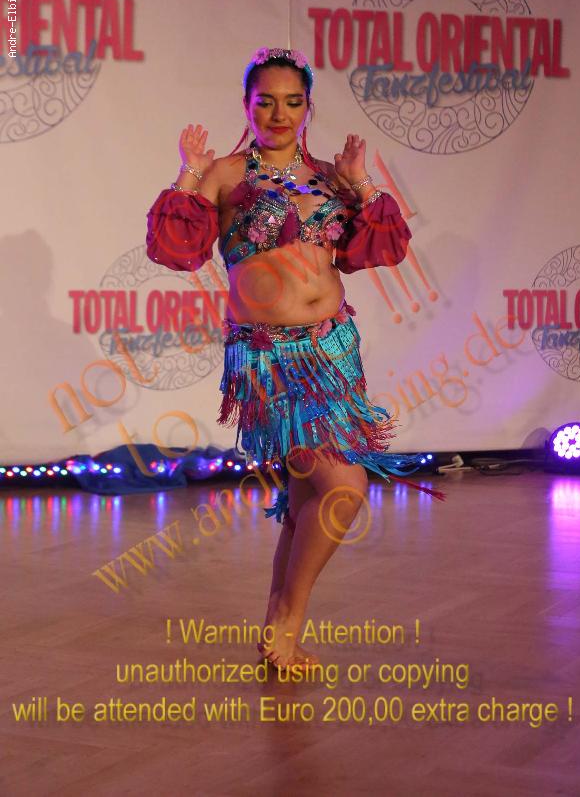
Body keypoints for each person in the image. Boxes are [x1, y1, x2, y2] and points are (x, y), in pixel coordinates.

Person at [146, 46, 445, 670]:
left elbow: (383, 247)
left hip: (333, 347)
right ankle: (288, 615)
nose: (279, 114)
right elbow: (174, 248)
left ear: (308, 107)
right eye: (266, 102)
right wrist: (188, 175)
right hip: (269, 355)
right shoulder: (224, 174)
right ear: (246, 105)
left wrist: (360, 180)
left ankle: (278, 627)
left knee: (312, 490)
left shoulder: (330, 177)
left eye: (293, 101)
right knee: (344, 486)